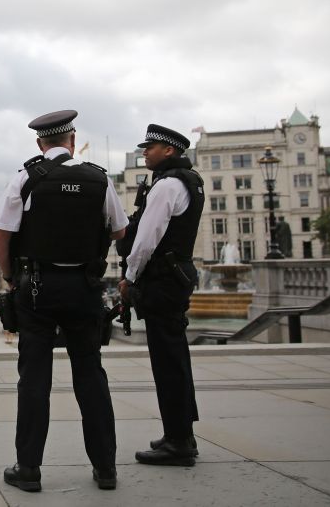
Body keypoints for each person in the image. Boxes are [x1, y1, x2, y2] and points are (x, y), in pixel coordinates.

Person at [0, 110, 128, 492]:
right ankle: (105, 468)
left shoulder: (27, 178)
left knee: (34, 378)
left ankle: (29, 469)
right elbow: (120, 229)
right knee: (90, 375)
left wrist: (9, 277)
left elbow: (0, 237)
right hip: (84, 286)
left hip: (37, 286)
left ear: (40, 143)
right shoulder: (100, 179)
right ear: (72, 140)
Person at [119, 124, 204, 467]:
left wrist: (129, 276)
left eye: (150, 147)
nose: (145, 152)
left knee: (167, 362)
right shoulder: (190, 181)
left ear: (169, 150)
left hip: (162, 280)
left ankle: (179, 441)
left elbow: (146, 239)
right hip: (177, 277)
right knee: (175, 358)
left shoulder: (167, 186)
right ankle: (179, 432)